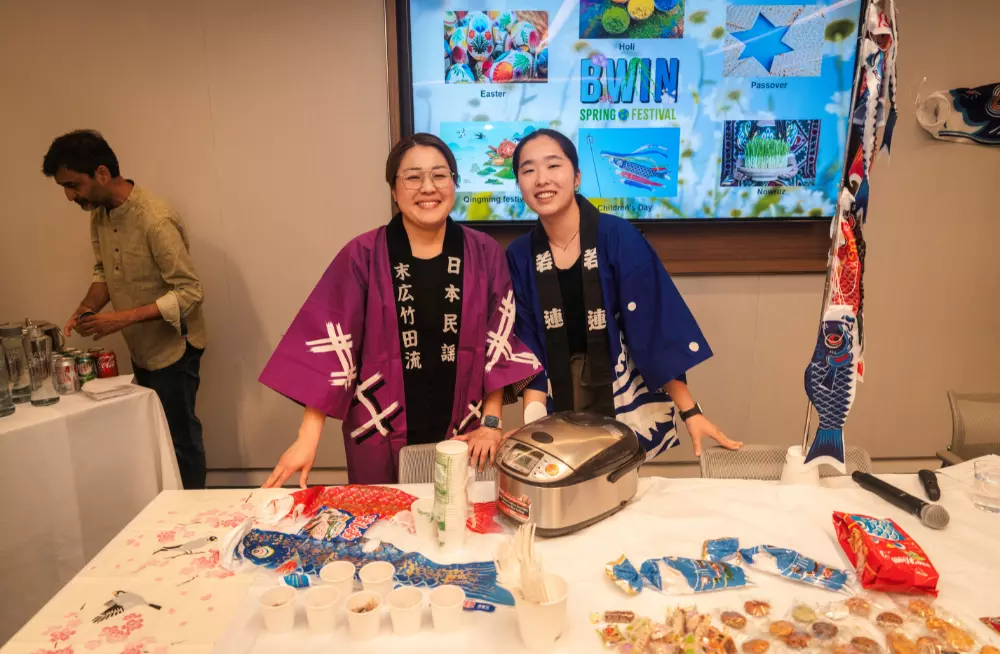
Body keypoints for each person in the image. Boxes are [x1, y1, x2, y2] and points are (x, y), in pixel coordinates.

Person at [260, 133, 540, 487]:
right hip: (380, 430)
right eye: (413, 177)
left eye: (440, 175)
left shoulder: (484, 253)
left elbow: (497, 343)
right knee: (384, 529)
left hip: (464, 431)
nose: (428, 187)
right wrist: (307, 437)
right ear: (394, 190)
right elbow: (333, 346)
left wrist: (491, 422)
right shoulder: (362, 255)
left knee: (461, 525)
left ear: (454, 184)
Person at [505, 129, 742, 459]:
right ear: (519, 184)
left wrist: (691, 411)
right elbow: (528, 343)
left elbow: (651, 325)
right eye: (528, 170)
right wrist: (532, 420)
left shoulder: (618, 236)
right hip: (556, 388)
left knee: (616, 482)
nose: (542, 179)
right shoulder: (518, 255)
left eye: (554, 166)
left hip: (619, 382)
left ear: (576, 177)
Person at [43, 130, 208, 489]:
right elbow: (105, 269)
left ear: (102, 173)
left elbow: (191, 292)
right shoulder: (99, 213)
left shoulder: (155, 218)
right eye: (64, 188)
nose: (70, 196)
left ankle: (197, 514)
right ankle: (165, 514)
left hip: (175, 348)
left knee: (181, 438)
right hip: (142, 347)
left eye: (73, 185)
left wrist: (120, 318)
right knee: (153, 436)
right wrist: (87, 307)